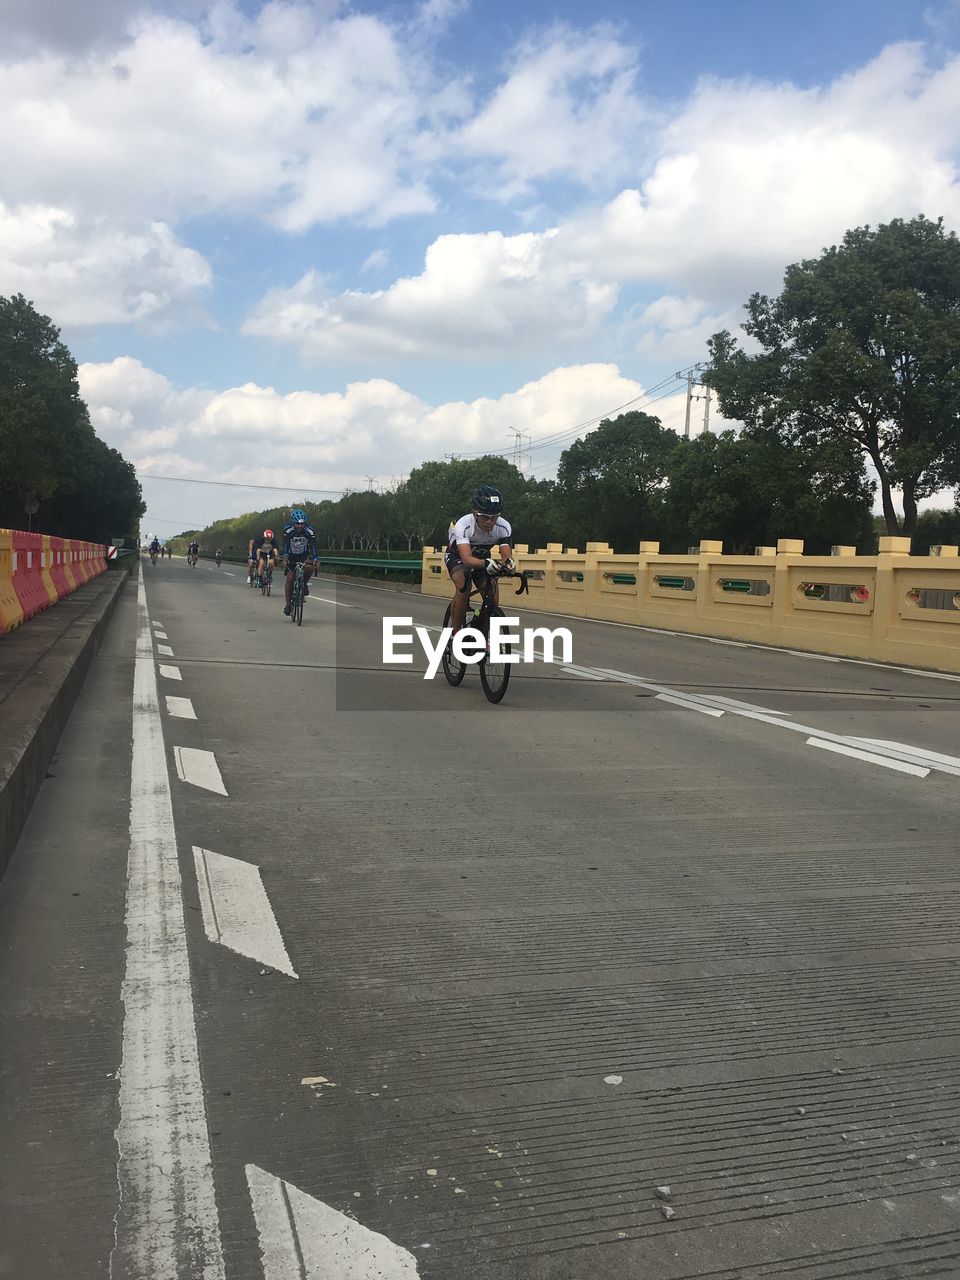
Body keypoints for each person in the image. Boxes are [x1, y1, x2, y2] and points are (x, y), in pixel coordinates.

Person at [445, 485, 514, 635]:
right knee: (463, 585)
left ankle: (482, 633)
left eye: (494, 517)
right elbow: (467, 559)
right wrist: (486, 563)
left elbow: (506, 555)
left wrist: (509, 564)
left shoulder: (503, 526)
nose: (490, 521)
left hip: (482, 558)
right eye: (485, 517)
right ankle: (455, 631)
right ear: (475, 513)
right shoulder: (463, 524)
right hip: (458, 556)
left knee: (493, 595)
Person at [282, 508, 319, 615]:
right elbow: (286, 544)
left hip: (304, 555)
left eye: (302, 524)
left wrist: (315, 558)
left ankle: (304, 583)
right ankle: (288, 605)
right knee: (290, 577)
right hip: (291, 555)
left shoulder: (309, 530)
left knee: (309, 567)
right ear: (293, 523)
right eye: (297, 524)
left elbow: (313, 545)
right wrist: (286, 556)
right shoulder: (287, 530)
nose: (300, 526)